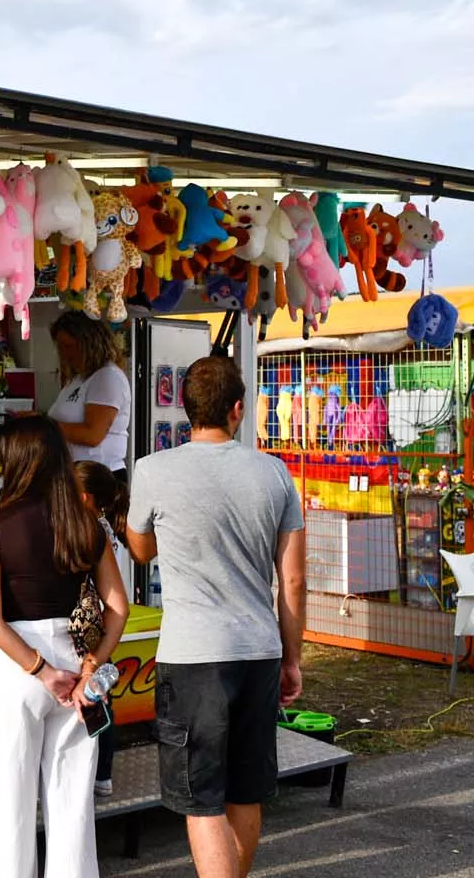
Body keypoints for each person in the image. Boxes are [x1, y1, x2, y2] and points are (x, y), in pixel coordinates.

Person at [125, 356, 307, 878]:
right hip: (259, 651)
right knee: (245, 790)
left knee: (201, 797)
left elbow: (139, 548)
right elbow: (292, 580)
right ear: (237, 410)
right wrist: (292, 659)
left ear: (186, 412)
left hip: (192, 655)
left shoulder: (154, 469)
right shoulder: (274, 471)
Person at [0, 415, 129, 878]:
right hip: (77, 661)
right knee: (72, 799)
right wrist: (92, 666)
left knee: (8, 798)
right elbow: (117, 605)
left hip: (16, 664)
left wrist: (40, 670)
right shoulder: (87, 525)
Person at [75, 460, 133, 798]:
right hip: (101, 623)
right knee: (98, 695)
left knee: (96, 697)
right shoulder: (103, 527)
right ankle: (102, 772)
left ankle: (101, 769)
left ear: (83, 497)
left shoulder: (93, 532)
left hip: (93, 625)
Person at [48, 312, 131, 477]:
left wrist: (44, 427)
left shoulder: (107, 376)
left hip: (98, 476)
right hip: (74, 473)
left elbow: (92, 434)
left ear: (88, 343)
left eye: (69, 346)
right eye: (60, 347)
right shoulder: (79, 378)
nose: (64, 354)